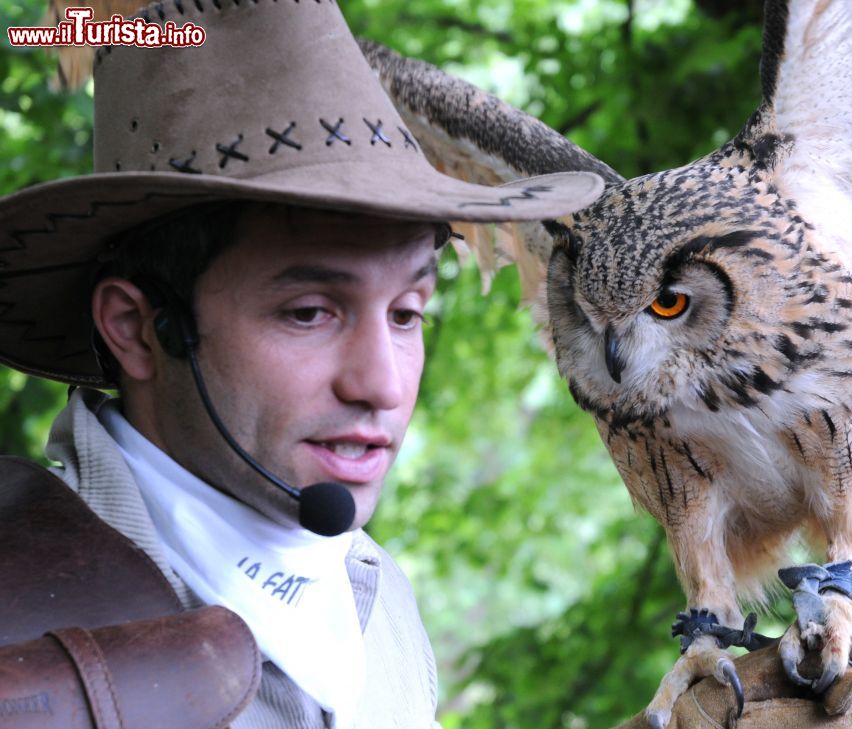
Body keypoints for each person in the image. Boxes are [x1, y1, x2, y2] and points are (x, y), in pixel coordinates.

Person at [0, 2, 604, 727]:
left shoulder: (378, 597)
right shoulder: (20, 617)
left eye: (406, 313)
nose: (381, 385)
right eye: (309, 312)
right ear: (137, 328)